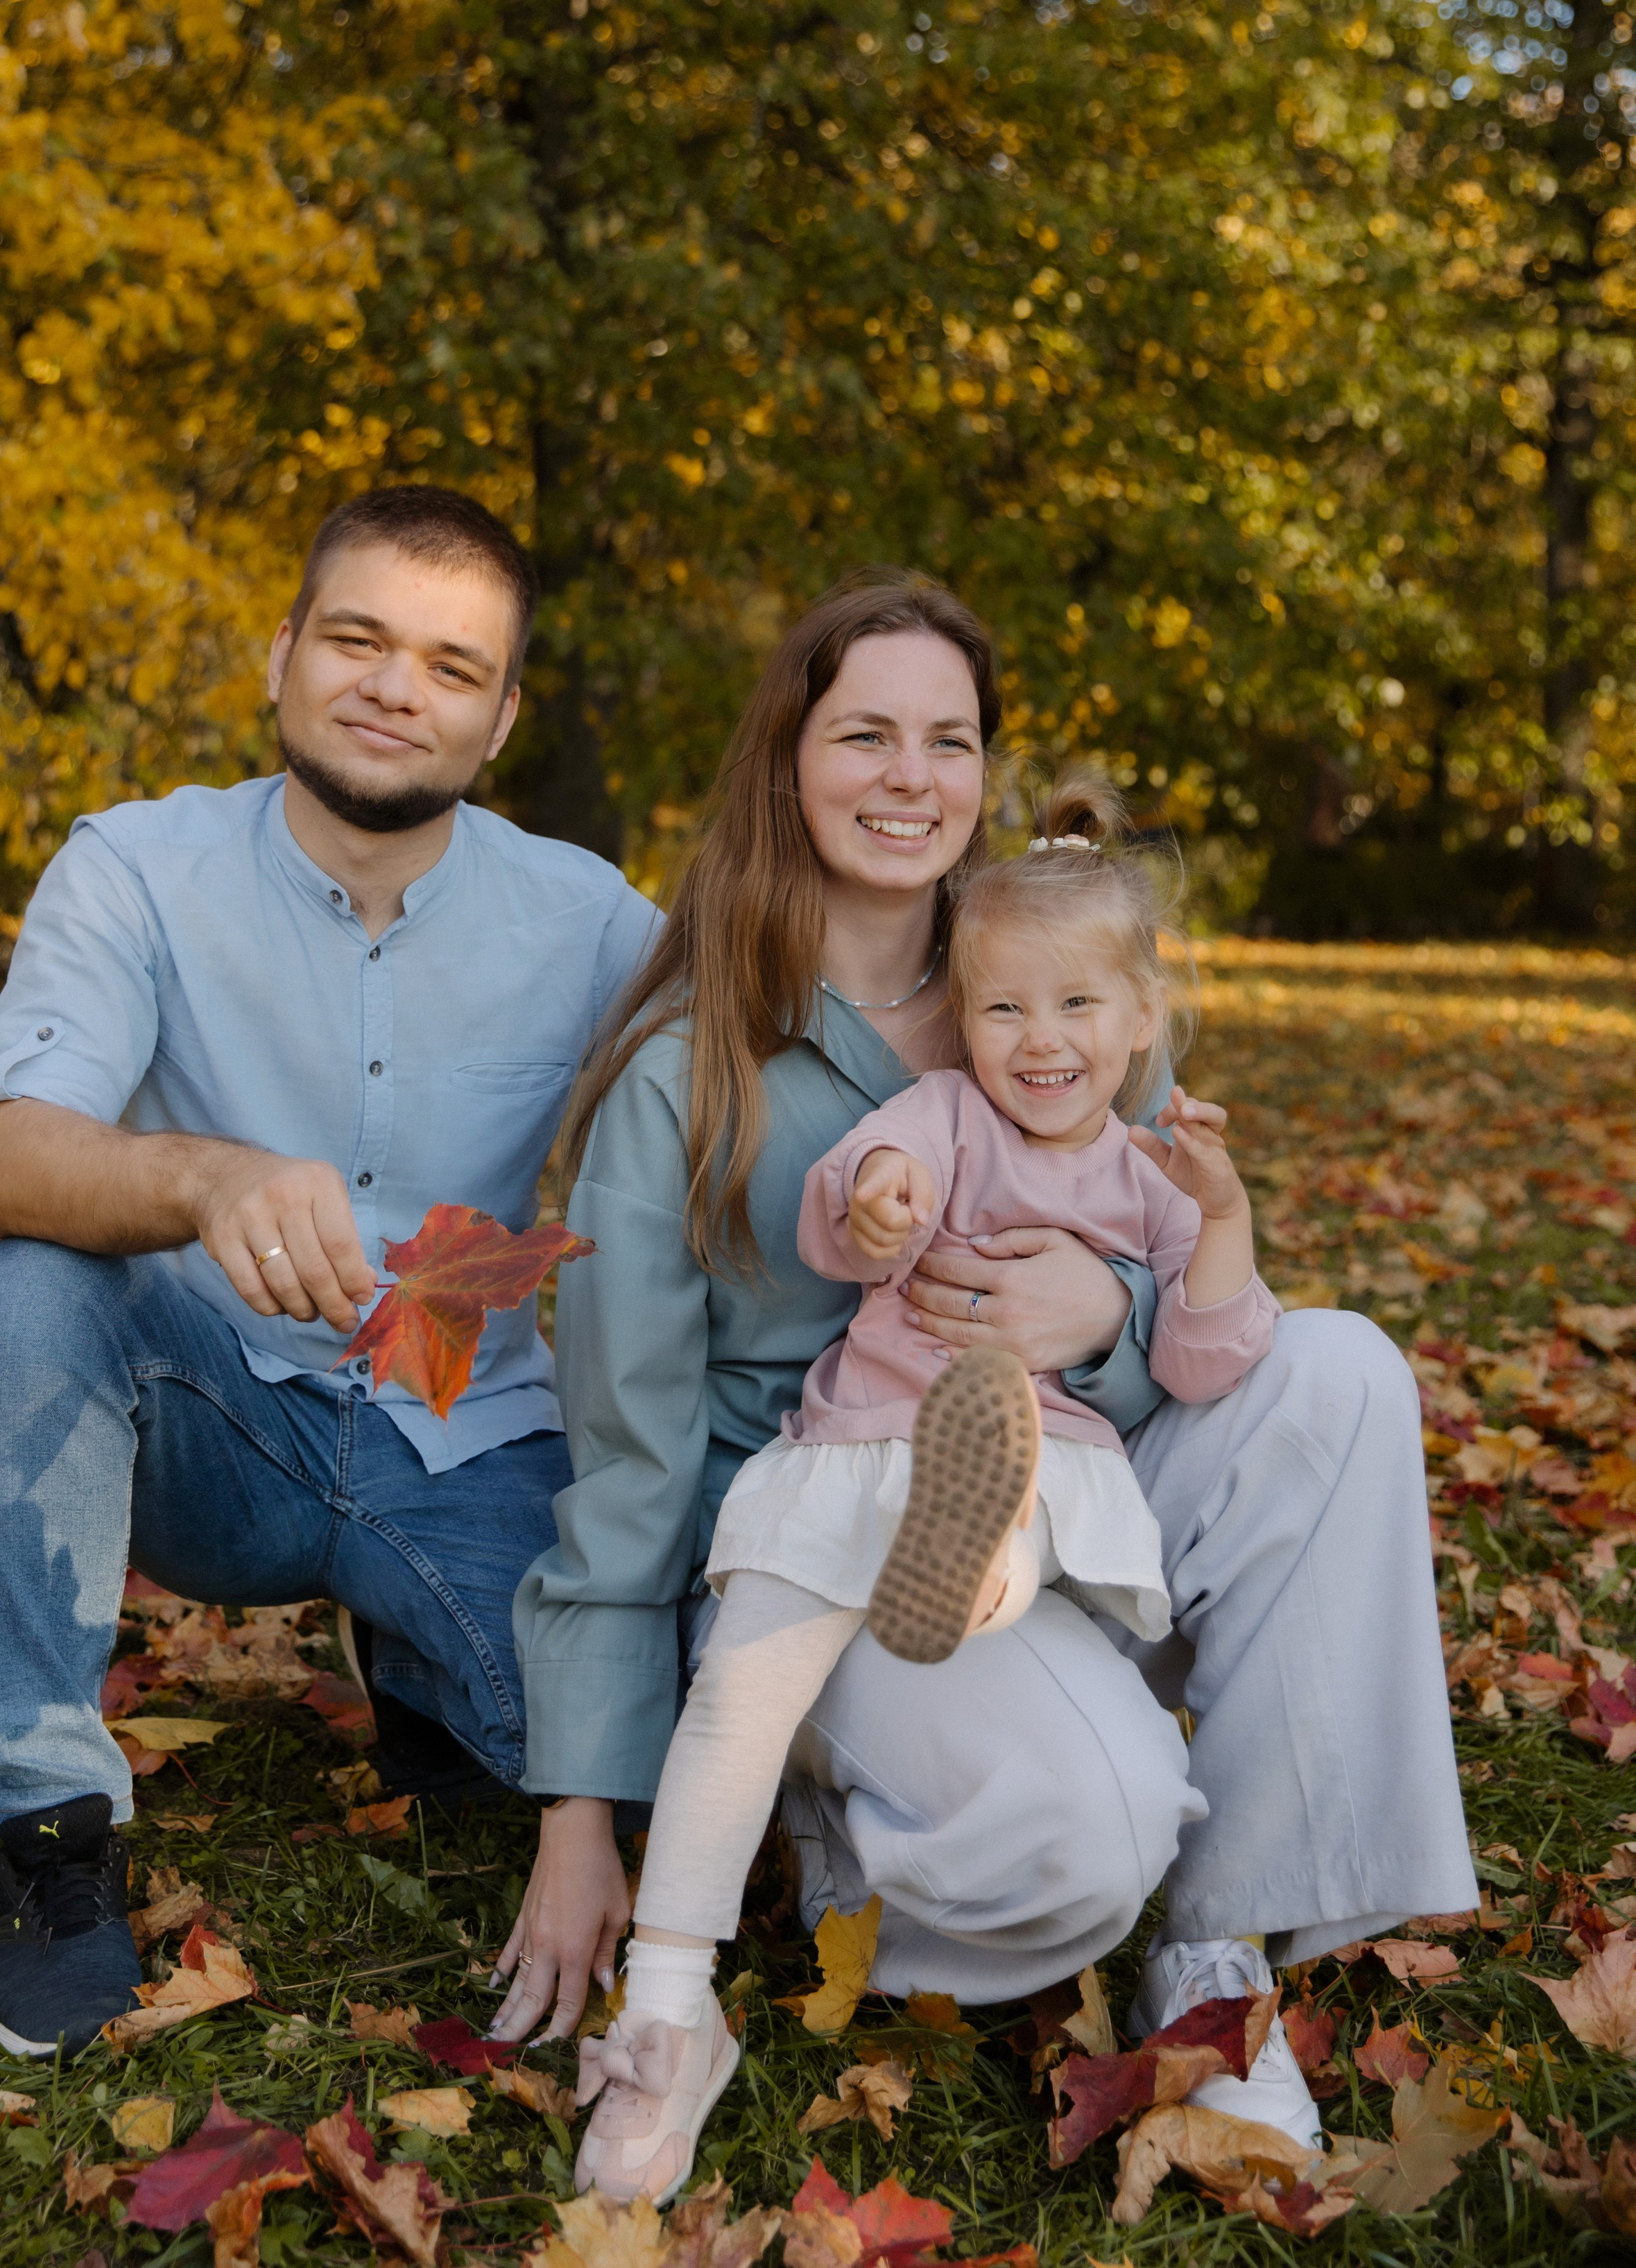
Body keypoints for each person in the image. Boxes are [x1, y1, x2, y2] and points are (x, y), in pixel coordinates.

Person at [501, 568, 1476, 2157]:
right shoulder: (685, 1072)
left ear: (983, 770)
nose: (907, 777)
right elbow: (626, 1460)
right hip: (828, 1543)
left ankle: (1212, 1962)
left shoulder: (1042, 983)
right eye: (863, 734)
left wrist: (1102, 1313)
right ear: (783, 760)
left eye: (945, 741)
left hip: (1057, 1470)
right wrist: (577, 1813)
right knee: (1082, 1838)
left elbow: (1186, 1286)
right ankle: (848, 1826)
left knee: (1344, 1370)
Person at [0, 483, 658, 2061]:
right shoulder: (134, 865)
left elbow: (775, 1056)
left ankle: (417, 1662)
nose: (396, 687)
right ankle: (50, 1827)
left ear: (499, 717)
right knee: (26, 1294)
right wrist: (203, 1175)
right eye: (357, 639)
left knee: (618, 1764)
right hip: (217, 1419)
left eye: (451, 667)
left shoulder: (590, 917)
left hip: (465, 1432)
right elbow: (0, 1155)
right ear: (282, 655)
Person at [574, 771, 1285, 2201]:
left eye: (1076, 1008)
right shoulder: (948, 1114)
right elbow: (855, 1202)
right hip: (844, 1457)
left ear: (1141, 1021)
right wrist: (882, 1197)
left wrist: (1221, 1219)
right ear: (958, 1022)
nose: (1037, 1043)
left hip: (1016, 1475)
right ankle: (665, 2009)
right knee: (737, 1699)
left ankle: (978, 1567)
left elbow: (1211, 1357)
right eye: (1002, 1009)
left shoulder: (1150, 1175)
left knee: (999, 1510)